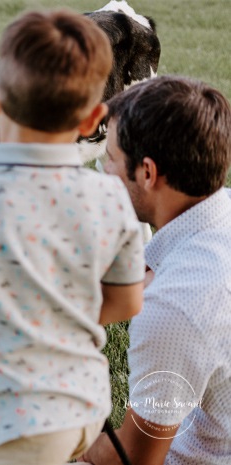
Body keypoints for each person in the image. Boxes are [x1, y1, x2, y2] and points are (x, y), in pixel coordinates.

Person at [0, 9, 145, 465]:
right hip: (87, 406)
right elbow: (128, 302)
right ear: (95, 116)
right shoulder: (110, 196)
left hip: (10, 420)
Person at [80, 77, 231, 465]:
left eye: (109, 158)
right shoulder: (219, 211)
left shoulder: (174, 308)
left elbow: (132, 457)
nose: (103, 170)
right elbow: (153, 269)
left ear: (147, 173)